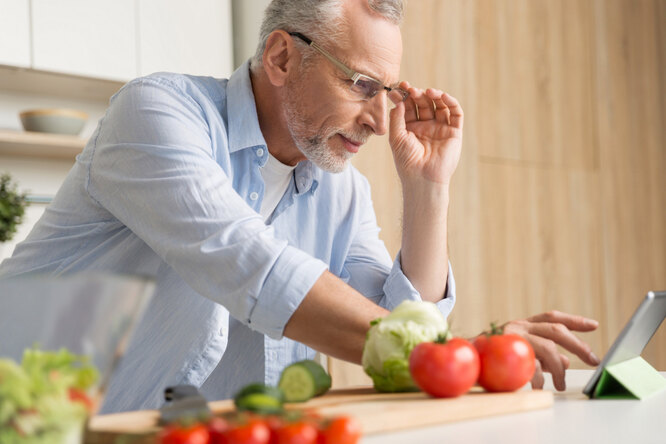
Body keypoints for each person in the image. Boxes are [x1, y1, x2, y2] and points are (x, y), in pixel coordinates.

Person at [0, 0, 599, 412]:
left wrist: (427, 187)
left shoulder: (340, 189)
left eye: (387, 93)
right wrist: (466, 353)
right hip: (35, 424)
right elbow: (250, 266)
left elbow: (395, 334)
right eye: (361, 85)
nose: (378, 117)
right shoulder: (159, 113)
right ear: (283, 57)